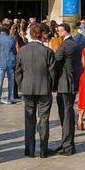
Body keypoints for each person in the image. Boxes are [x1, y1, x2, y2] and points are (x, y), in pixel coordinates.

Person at [15, 23, 55, 158]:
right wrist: (51, 86)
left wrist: (22, 85)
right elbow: (52, 73)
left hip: (28, 88)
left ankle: (30, 149)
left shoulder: (22, 50)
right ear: (42, 35)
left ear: (31, 35)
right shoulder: (48, 51)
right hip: (44, 88)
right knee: (44, 119)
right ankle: (43, 149)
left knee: (29, 119)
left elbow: (18, 71)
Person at [53, 22, 81, 155]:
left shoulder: (65, 45)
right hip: (71, 82)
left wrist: (52, 83)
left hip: (65, 83)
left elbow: (55, 63)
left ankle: (68, 145)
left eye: (59, 31)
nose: (58, 33)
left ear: (64, 31)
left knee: (66, 114)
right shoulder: (75, 44)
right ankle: (66, 143)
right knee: (66, 113)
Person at [0, 23, 17, 104]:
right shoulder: (11, 39)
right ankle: (10, 98)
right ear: (8, 30)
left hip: (0, 61)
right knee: (11, 81)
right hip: (10, 61)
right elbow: (14, 51)